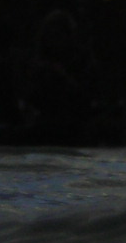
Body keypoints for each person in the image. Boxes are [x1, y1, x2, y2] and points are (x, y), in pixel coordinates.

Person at [21, 10, 97, 146]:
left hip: (74, 129)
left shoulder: (80, 59)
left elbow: (85, 96)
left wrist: (61, 75)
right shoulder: (40, 62)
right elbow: (30, 96)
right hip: (45, 129)